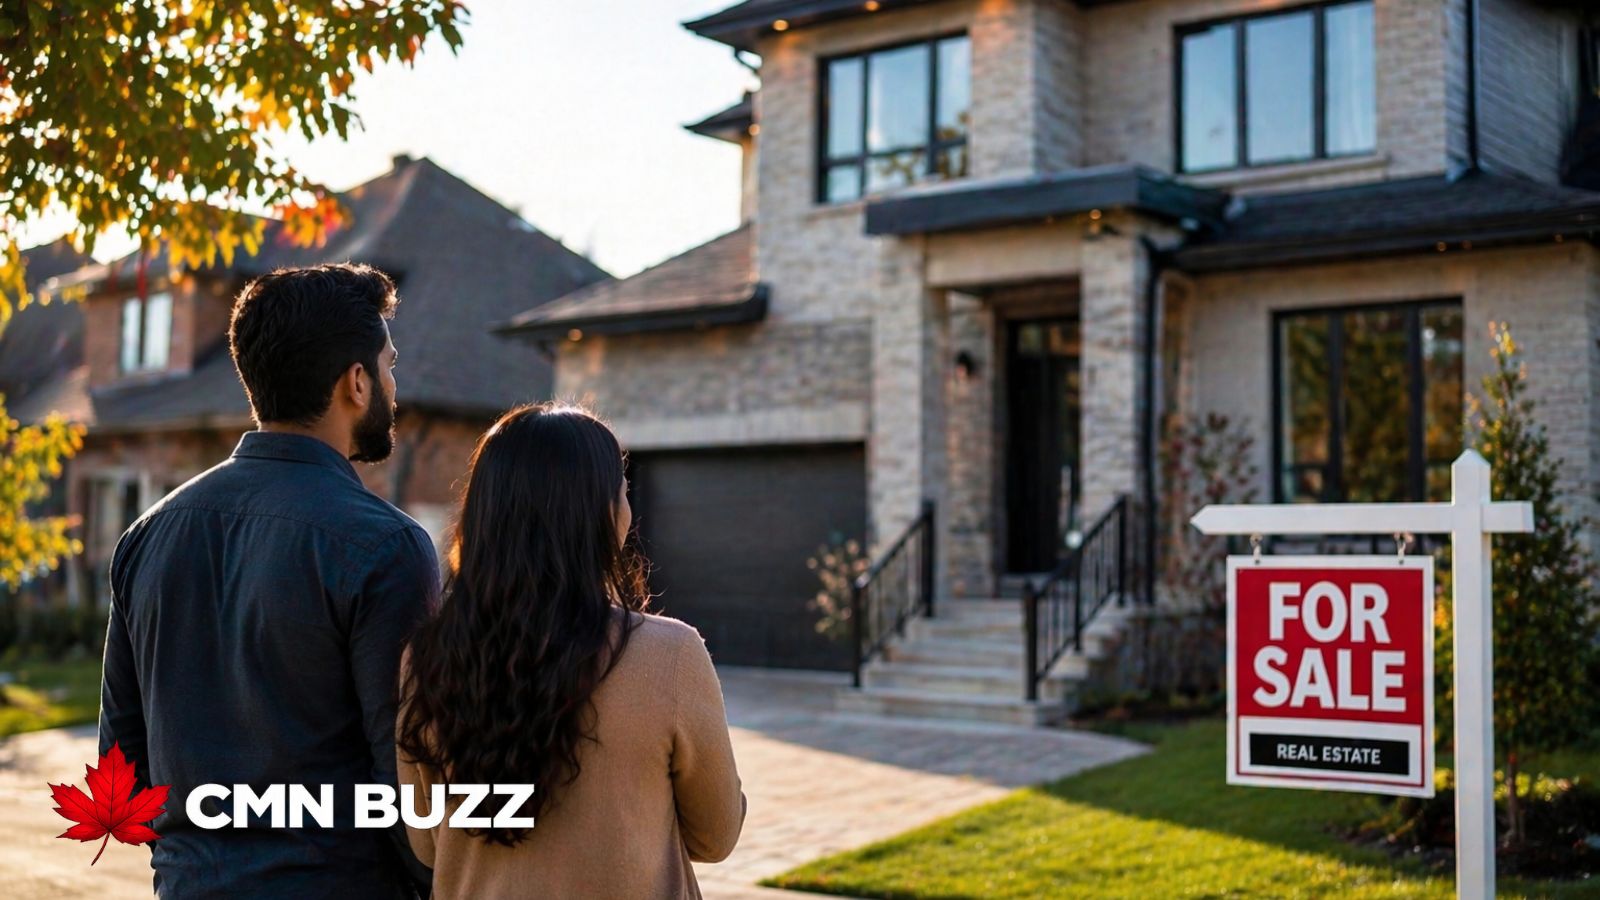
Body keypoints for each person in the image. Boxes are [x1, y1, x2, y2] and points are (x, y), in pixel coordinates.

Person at [98, 263, 436, 898]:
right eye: (390, 366)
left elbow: (123, 770)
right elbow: (405, 769)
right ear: (356, 383)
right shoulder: (387, 547)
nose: (396, 384)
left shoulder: (146, 536)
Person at [397, 403, 746, 899]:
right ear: (602, 515)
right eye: (622, 491)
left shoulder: (426, 657)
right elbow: (716, 836)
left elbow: (427, 845)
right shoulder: (670, 656)